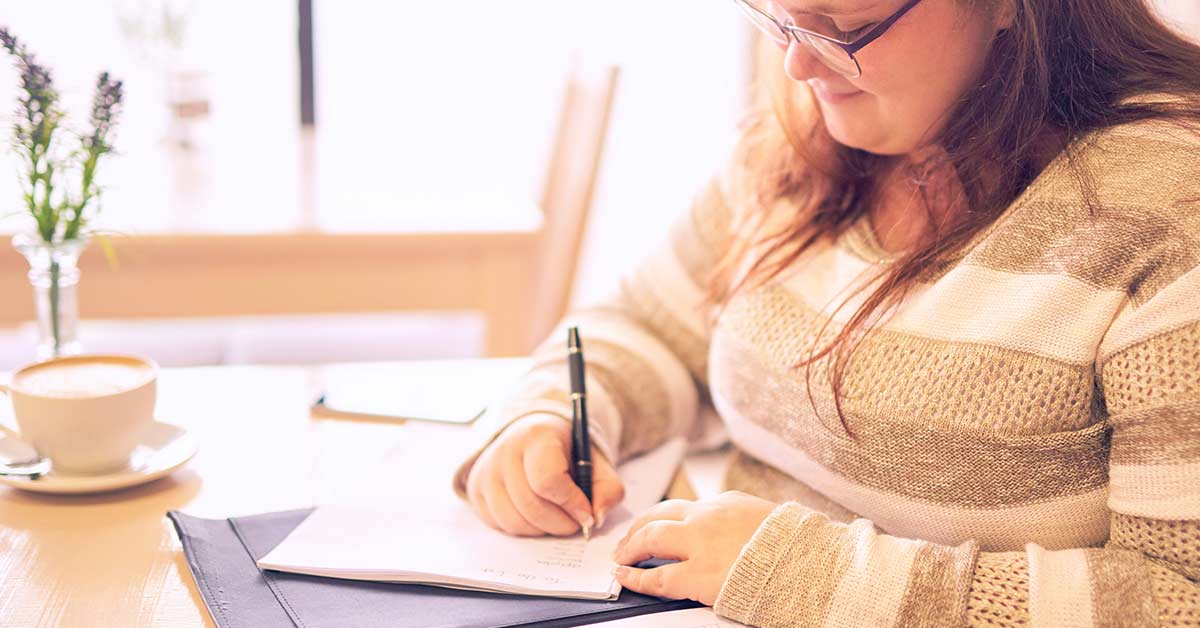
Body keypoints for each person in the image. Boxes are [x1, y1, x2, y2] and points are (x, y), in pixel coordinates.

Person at [452, 0, 1200, 625]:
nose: (797, 65)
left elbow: (1180, 600)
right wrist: (546, 417)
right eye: (776, 17)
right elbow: (646, 324)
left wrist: (797, 572)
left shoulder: (1169, 212)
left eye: (844, 29)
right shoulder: (802, 142)